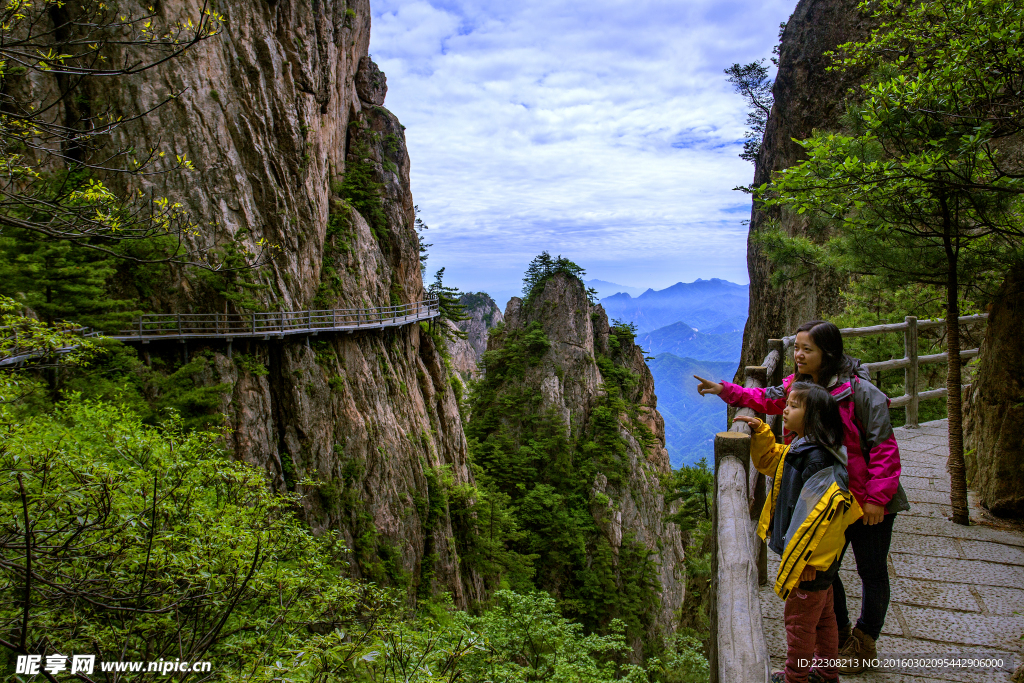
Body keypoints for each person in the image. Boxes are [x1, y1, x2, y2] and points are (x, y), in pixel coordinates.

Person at [695, 320, 909, 674]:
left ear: (828, 353)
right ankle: (837, 639)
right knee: (826, 569)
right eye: (796, 348)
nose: (797, 355)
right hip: (826, 503)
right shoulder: (800, 387)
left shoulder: (860, 393)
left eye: (806, 349)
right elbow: (766, 399)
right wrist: (725, 390)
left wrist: (876, 499)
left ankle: (864, 641)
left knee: (871, 570)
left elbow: (885, 449)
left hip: (867, 500)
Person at [735, 383, 862, 683]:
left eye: (793, 405)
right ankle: (827, 674)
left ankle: (795, 677)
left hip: (810, 561)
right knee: (824, 619)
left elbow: (824, 519)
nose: (786, 409)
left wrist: (808, 562)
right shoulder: (807, 449)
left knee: (800, 623)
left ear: (813, 416)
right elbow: (772, 461)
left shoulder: (817, 462)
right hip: (816, 560)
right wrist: (763, 433)